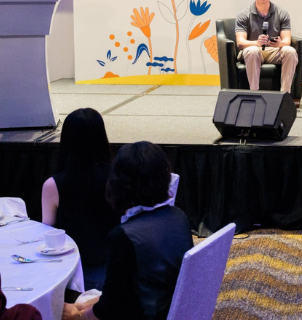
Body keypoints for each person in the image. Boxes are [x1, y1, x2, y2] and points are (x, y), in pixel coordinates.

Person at [62, 142, 193, 320]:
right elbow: (125, 290)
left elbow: (110, 309)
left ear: (120, 184)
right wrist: (81, 306)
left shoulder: (124, 236)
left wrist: (77, 316)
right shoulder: (179, 217)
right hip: (166, 307)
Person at [41, 108, 119, 290]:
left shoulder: (54, 185)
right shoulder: (117, 177)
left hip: (72, 273)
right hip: (115, 268)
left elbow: (47, 231)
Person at [235, 0, 299, 93]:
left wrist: (279, 43)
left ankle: (284, 94)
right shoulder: (243, 14)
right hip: (252, 51)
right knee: (252, 51)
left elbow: (287, 41)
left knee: (290, 51)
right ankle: (255, 93)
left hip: (273, 51)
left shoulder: (282, 13)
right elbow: (240, 43)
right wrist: (257, 43)